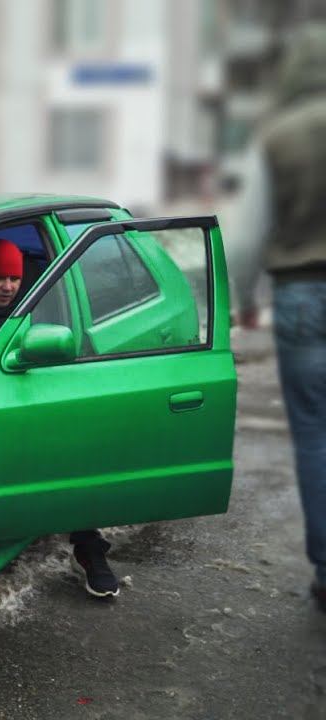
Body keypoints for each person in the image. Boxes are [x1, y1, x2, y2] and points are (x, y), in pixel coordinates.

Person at [228, 24, 326, 613]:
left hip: (299, 297)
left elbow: (247, 239)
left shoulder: (277, 138)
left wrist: (246, 300)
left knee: (315, 439)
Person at [0, 239, 120, 598]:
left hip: (31, 404)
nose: (8, 286)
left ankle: (89, 547)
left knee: (71, 458)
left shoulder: (35, 313)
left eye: (14, 277)